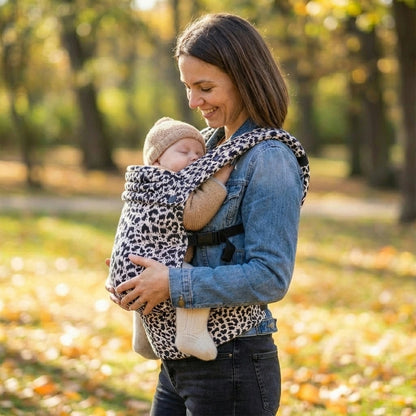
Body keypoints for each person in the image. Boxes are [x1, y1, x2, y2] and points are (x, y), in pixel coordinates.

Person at [107, 12, 310, 416]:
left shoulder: (269, 158)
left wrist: (172, 282)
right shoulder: (201, 147)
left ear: (245, 79)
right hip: (178, 359)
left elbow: (271, 276)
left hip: (233, 359)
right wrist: (130, 269)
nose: (193, 102)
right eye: (187, 87)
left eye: (205, 87)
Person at [107, 116, 233, 361]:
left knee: (151, 304)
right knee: (190, 282)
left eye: (199, 152)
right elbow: (194, 216)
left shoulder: (143, 183)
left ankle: (144, 342)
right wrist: (217, 181)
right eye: (183, 151)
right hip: (146, 264)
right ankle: (191, 335)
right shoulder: (165, 183)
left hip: (127, 265)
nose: (193, 158)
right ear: (156, 160)